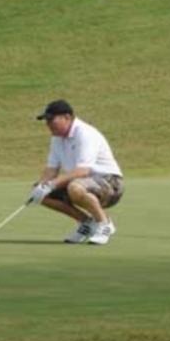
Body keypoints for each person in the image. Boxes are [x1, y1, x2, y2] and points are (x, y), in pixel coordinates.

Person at [28, 99, 124, 245]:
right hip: (81, 182)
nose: (48, 125)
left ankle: (105, 224)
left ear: (67, 117)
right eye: (46, 121)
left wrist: (52, 184)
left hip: (110, 183)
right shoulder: (57, 139)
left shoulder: (85, 133)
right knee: (42, 193)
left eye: (51, 120)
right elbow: (52, 169)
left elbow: (83, 171)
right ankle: (86, 223)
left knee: (75, 187)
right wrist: (41, 187)